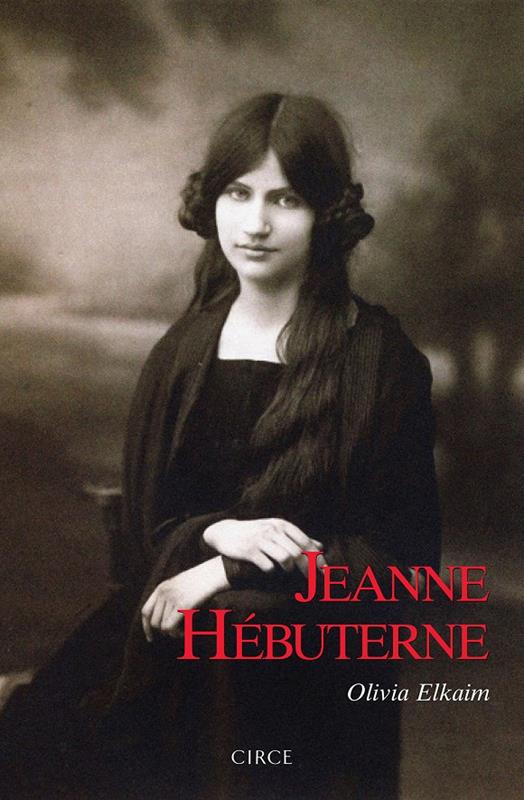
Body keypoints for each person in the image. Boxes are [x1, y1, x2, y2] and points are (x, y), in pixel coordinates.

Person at [0, 93, 440, 800]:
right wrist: (218, 533)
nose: (255, 223)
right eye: (238, 193)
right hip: (169, 627)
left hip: (306, 666)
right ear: (213, 203)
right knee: (34, 742)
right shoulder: (185, 351)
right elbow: (147, 536)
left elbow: (404, 567)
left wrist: (229, 570)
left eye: (285, 199)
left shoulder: (380, 361)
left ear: (325, 214)